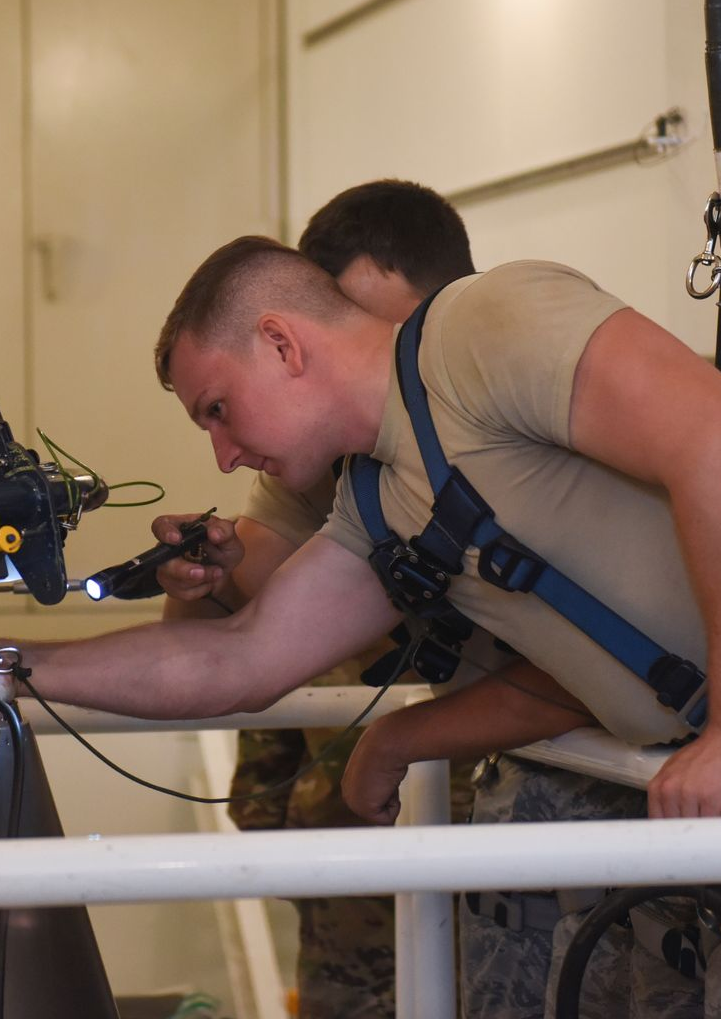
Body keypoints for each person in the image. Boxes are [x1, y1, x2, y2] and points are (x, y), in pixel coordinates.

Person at [0, 240, 721, 993]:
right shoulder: (381, 508)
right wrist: (3, 663)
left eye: (218, 410)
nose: (223, 455)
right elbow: (235, 662)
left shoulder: (489, 323)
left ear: (280, 342)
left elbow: (718, 438)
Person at [159, 180, 475, 1019]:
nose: (368, 356)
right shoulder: (333, 462)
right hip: (351, 845)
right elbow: (247, 617)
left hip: (482, 829)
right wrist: (209, 568)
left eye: (385, 331)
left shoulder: (498, 412)